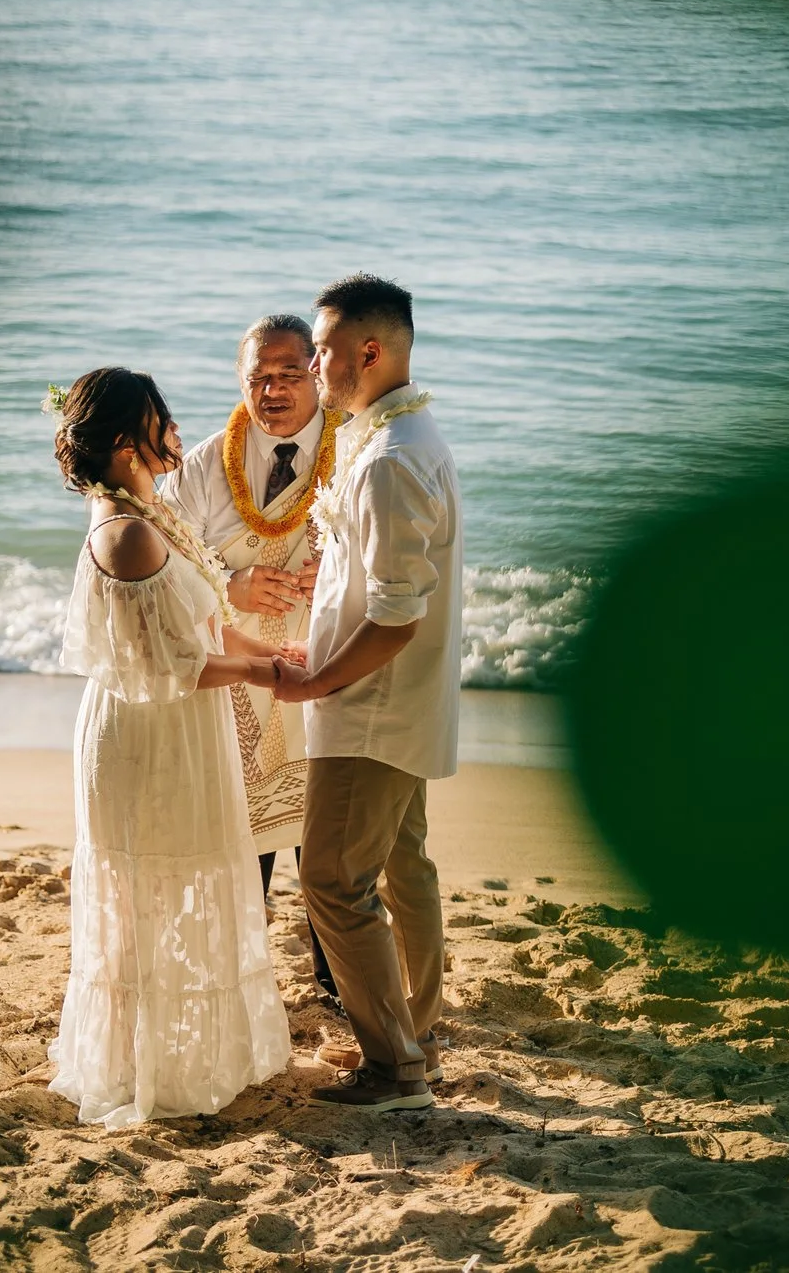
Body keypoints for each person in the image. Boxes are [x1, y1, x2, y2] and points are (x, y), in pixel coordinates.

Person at [43, 366, 294, 1126]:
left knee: (191, 881)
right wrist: (265, 671)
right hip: (146, 732)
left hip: (184, 725)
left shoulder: (150, 511)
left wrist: (274, 651)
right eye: (161, 419)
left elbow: (204, 621)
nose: (177, 432)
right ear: (125, 443)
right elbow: (167, 667)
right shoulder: (124, 533)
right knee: (142, 898)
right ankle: (142, 1069)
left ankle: (191, 1054)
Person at [274, 275, 462, 1113]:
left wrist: (317, 676)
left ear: (371, 352)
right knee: (401, 862)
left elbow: (396, 617)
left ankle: (396, 1067)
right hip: (391, 701)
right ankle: (414, 1025)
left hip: (371, 708)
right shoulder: (393, 434)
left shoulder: (392, 458)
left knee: (330, 878)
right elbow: (370, 582)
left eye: (322, 349)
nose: (312, 364)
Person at [162, 314, 342, 1001]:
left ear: (317, 375)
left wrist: (340, 572)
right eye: (257, 376)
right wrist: (229, 583)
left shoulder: (350, 453)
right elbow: (164, 555)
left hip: (325, 663)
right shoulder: (209, 462)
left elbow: (389, 552)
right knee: (246, 840)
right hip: (239, 670)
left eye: (288, 373)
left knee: (326, 843)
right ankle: (236, 983)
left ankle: (336, 983)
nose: (272, 389)